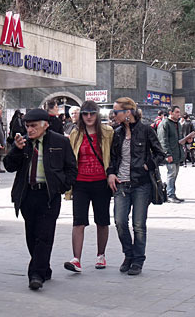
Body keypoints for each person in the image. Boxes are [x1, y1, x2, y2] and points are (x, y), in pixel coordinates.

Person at [3, 108, 77, 290]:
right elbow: (9, 166)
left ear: (45, 125)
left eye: (34, 126)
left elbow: (71, 168)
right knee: (32, 235)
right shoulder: (23, 143)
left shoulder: (60, 141)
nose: (30, 130)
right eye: (27, 126)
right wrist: (16, 150)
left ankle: (35, 274)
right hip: (27, 194)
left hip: (49, 195)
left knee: (44, 235)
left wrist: (63, 186)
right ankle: (44, 267)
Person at [107, 97, 165, 275]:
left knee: (139, 224)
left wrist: (148, 164)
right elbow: (113, 157)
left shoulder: (146, 130)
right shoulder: (116, 133)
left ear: (127, 113)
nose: (113, 115)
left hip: (142, 184)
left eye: (116, 112)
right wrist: (111, 173)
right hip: (121, 184)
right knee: (120, 221)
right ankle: (128, 254)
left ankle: (138, 260)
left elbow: (160, 154)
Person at [64, 101, 114, 273]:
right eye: (85, 113)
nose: (89, 117)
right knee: (78, 221)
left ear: (97, 114)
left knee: (102, 220)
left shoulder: (107, 132)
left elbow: (113, 155)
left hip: (101, 181)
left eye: (92, 113)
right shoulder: (75, 133)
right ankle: (76, 259)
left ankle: (101, 255)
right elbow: (70, 158)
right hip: (80, 183)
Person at [158, 106, 193, 203]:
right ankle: (170, 195)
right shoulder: (164, 124)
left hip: (177, 153)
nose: (179, 114)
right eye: (177, 112)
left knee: (174, 175)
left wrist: (187, 140)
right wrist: (167, 154)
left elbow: (179, 139)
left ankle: (172, 193)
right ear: (171, 112)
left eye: (179, 112)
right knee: (171, 174)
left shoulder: (178, 124)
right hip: (170, 154)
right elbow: (163, 141)